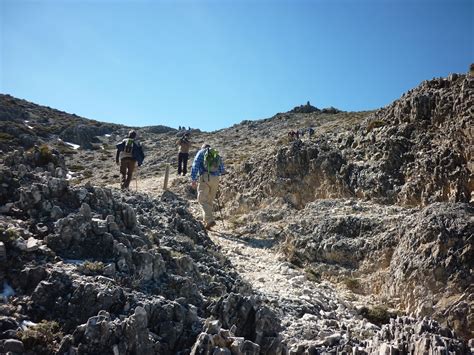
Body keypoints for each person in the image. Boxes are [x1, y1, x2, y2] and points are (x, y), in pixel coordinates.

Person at [190, 143, 225, 230]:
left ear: (203, 147)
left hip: (205, 177)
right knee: (209, 200)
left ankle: (209, 220)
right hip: (216, 179)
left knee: (202, 199)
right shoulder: (215, 153)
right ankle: (207, 221)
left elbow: (195, 165)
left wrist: (193, 179)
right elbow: (222, 169)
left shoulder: (201, 152)